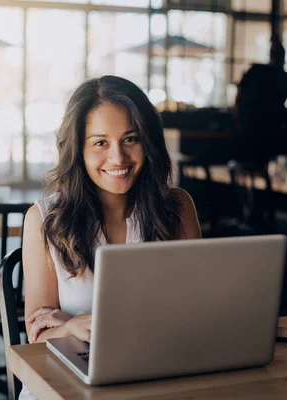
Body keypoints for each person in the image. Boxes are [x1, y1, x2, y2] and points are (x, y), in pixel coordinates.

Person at [22, 74, 201, 349]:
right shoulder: (44, 220)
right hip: (72, 374)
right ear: (78, 149)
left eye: (130, 139)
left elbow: (198, 305)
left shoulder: (178, 207)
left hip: (158, 362)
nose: (118, 157)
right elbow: (37, 335)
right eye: (100, 143)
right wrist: (71, 328)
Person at [233, 36, 287, 166]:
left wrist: (239, 121)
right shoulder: (286, 79)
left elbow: (238, 97)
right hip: (270, 130)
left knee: (250, 166)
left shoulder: (255, 72)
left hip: (256, 129)